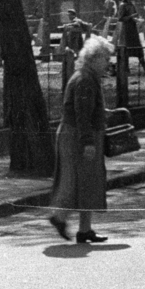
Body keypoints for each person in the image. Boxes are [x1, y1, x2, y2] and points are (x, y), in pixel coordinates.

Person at [47, 35, 111, 244]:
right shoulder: (84, 80)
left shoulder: (86, 77)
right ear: (94, 58)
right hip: (77, 136)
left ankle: (85, 230)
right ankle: (59, 217)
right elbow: (82, 114)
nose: (107, 63)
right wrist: (88, 142)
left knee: (88, 181)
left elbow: (88, 110)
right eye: (105, 59)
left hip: (79, 134)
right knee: (76, 180)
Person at [118, 0, 145, 73]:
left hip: (133, 30)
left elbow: (135, 16)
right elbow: (120, 18)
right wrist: (131, 17)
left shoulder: (132, 4)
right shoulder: (122, 5)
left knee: (138, 48)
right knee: (126, 50)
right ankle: (126, 70)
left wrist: (138, 20)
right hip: (126, 31)